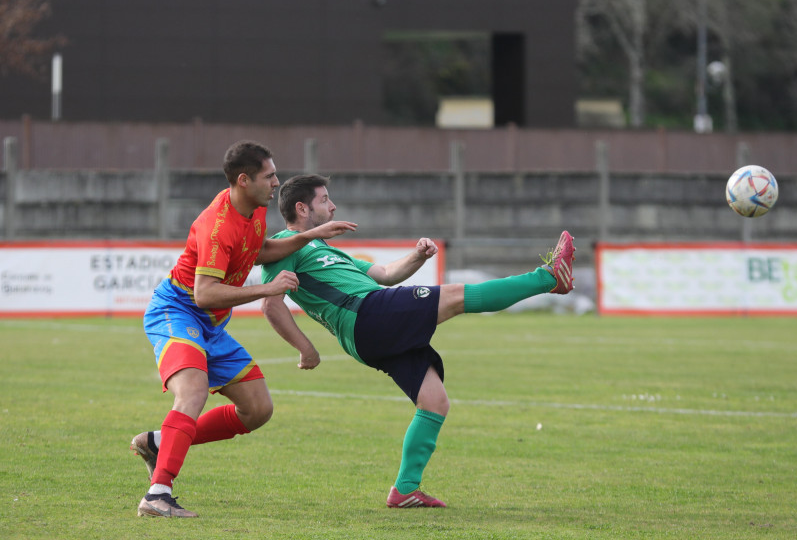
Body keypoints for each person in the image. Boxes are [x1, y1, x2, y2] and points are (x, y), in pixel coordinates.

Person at [259, 174, 575, 508]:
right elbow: (270, 303)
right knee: (455, 296)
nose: (333, 205)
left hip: (369, 327)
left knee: (435, 401)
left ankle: (405, 489)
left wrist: (417, 257)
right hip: (367, 314)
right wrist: (305, 348)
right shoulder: (282, 245)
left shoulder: (322, 248)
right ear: (301, 208)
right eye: (324, 200)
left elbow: (384, 274)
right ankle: (549, 277)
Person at [129, 143, 357, 518]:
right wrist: (267, 289)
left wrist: (308, 236)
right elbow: (203, 294)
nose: (277, 182)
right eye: (269, 176)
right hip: (177, 312)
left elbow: (259, 250)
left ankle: (158, 442)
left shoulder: (253, 208)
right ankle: (158, 493)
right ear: (243, 180)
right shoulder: (217, 226)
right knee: (194, 391)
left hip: (211, 324)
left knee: (257, 408)